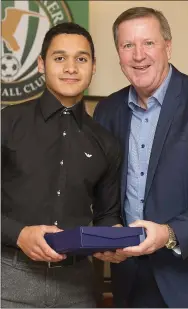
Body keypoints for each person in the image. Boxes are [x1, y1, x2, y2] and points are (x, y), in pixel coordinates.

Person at [93, 7, 188, 308]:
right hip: (131, 281)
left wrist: (169, 233)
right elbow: (104, 191)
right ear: (118, 54)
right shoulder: (107, 112)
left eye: (148, 43)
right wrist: (108, 231)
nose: (139, 55)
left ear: (168, 46)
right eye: (128, 45)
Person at [1, 22, 125, 308]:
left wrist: (113, 239)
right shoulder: (7, 123)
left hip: (78, 289)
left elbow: (107, 214)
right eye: (60, 58)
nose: (71, 68)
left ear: (93, 67)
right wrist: (19, 234)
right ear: (41, 64)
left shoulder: (106, 141)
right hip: (7, 282)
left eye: (81, 59)